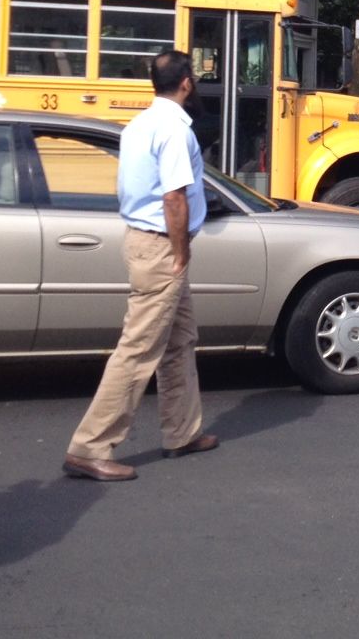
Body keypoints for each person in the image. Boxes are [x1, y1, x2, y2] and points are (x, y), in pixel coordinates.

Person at [64, 49, 219, 482]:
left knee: (180, 339)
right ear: (187, 82)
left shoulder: (139, 124)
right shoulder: (173, 130)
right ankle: (89, 447)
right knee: (138, 349)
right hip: (162, 247)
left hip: (143, 240)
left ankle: (182, 431)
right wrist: (181, 251)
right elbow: (173, 196)